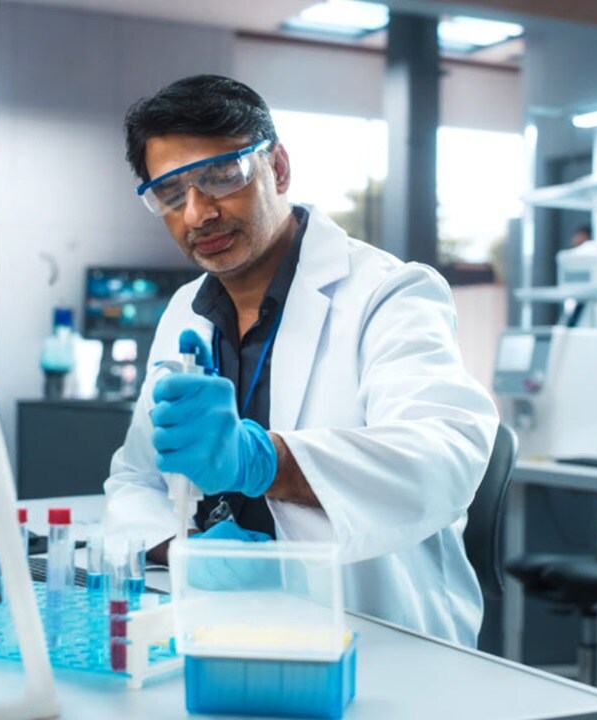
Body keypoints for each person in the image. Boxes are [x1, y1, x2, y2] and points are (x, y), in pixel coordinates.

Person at [102, 74, 499, 646]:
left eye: (219, 177)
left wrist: (264, 460)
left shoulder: (390, 292)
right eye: (170, 193)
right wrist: (181, 549)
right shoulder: (184, 311)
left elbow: (445, 453)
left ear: (278, 169)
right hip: (218, 623)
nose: (197, 214)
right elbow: (137, 476)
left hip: (374, 634)